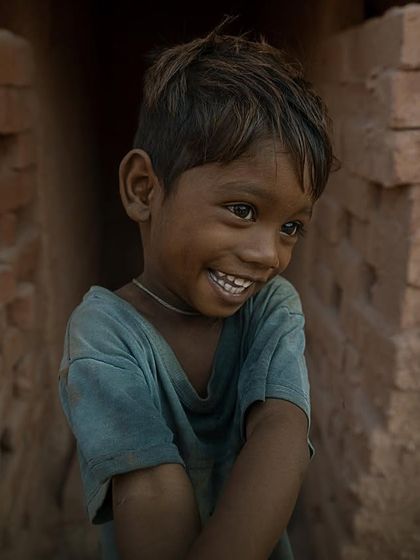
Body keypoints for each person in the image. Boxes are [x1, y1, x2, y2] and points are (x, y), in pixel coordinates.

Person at [59, 22, 334, 560]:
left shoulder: (270, 310)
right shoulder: (103, 334)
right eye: (242, 210)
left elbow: (281, 433)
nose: (269, 255)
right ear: (144, 190)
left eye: (291, 228)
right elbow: (151, 488)